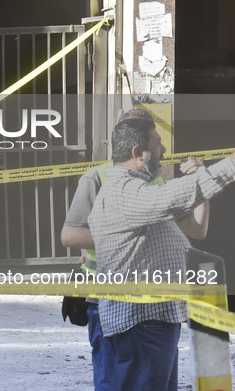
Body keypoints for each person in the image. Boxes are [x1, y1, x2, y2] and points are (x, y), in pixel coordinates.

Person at [60, 109, 210, 390]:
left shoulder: (153, 180)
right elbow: (69, 235)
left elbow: (196, 230)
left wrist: (201, 181)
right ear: (132, 144)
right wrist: (122, 233)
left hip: (154, 307)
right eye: (154, 141)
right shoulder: (97, 177)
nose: (160, 148)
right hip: (104, 298)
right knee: (112, 382)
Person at [87, 115, 235, 390]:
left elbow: (194, 223)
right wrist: (230, 165)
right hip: (141, 324)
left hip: (151, 323)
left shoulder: (138, 191)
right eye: (157, 143)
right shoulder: (125, 192)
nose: (164, 150)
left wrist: (200, 175)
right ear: (138, 153)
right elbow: (175, 196)